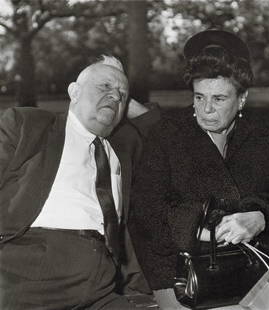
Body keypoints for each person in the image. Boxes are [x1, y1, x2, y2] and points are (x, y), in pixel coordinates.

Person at [129, 29, 269, 308]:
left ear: (242, 99)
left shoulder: (266, 137)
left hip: (259, 271)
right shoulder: (167, 136)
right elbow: (145, 213)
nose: (206, 110)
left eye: (219, 99)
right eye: (199, 97)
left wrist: (262, 217)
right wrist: (201, 229)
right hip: (185, 278)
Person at [0, 55, 160, 309]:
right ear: (74, 92)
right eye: (104, 86)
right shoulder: (28, 125)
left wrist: (115, 97)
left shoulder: (122, 147)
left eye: (122, 94)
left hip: (101, 285)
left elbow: (169, 137)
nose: (115, 96)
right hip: (30, 276)